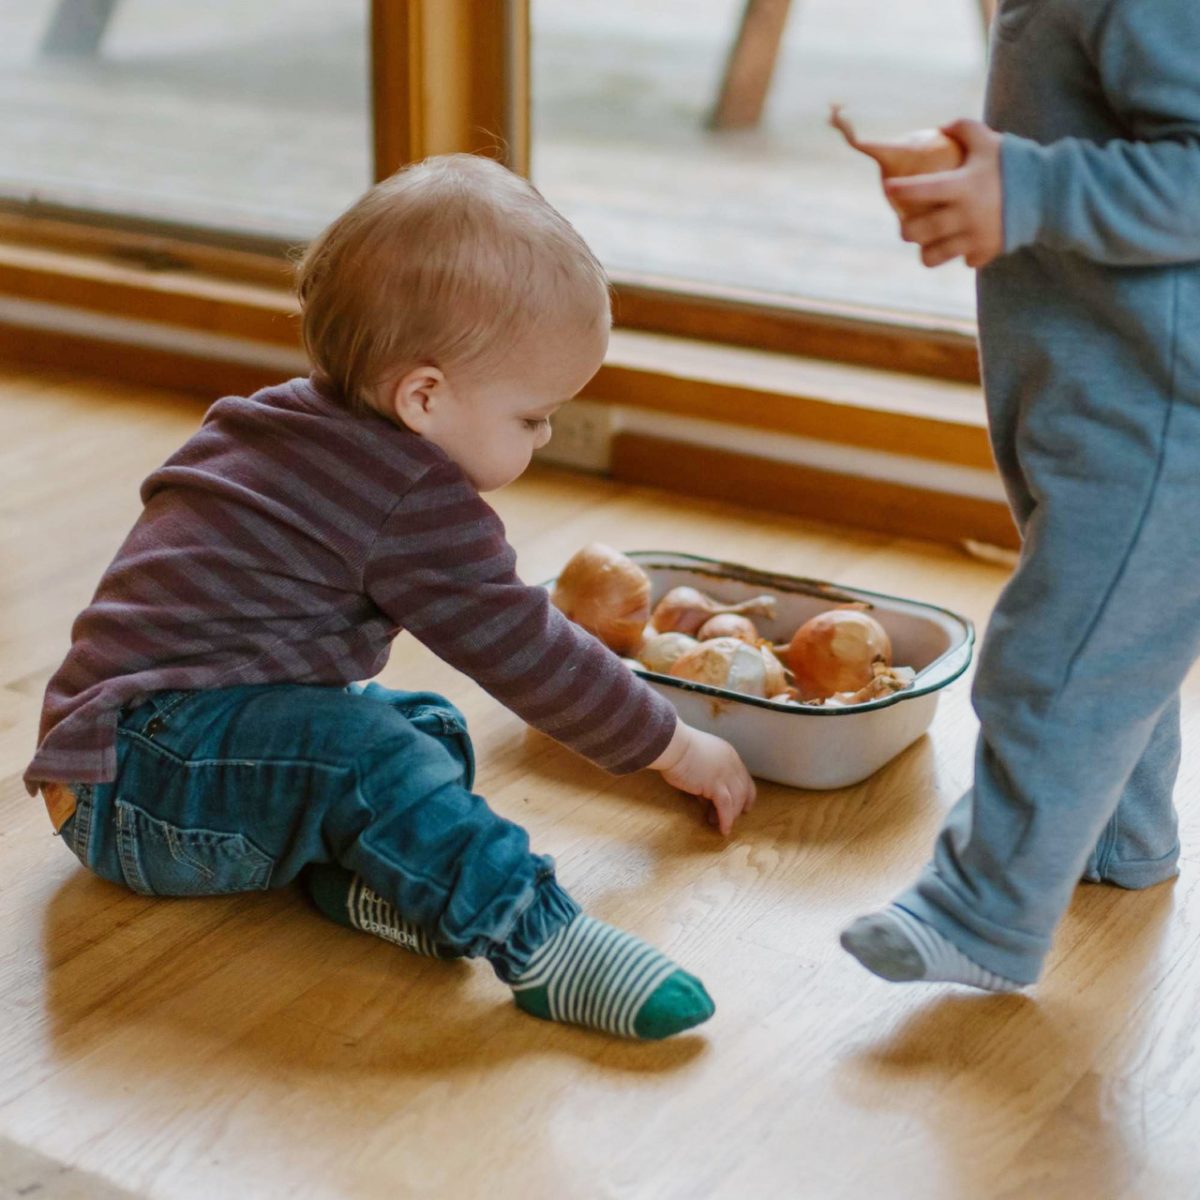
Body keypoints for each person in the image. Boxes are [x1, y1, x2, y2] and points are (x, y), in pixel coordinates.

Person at [25, 153, 756, 1039]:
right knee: (372, 754)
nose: (548, 434)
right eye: (533, 417)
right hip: (137, 789)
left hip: (123, 759)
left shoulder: (293, 417)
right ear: (424, 397)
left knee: (427, 732)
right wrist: (672, 747)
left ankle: (360, 885)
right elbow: (524, 648)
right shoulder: (405, 493)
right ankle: (539, 942)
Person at [841, 0, 1200, 991]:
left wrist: (1027, 188)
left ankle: (982, 914)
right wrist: (985, 172)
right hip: (1091, 379)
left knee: (1058, 659)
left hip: (1161, 409)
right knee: (1114, 633)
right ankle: (1124, 839)